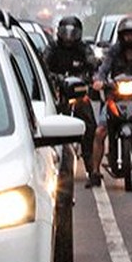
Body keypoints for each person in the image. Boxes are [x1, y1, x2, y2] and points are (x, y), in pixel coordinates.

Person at [88, 15, 132, 188]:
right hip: (115, 99)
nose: (129, 38)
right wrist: (99, 80)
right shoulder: (113, 52)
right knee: (99, 131)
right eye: (126, 35)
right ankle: (95, 172)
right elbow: (103, 70)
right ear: (121, 35)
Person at [44, 16, 97, 174]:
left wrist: (90, 75)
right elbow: (43, 65)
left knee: (90, 124)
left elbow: (93, 64)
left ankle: (90, 164)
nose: (68, 37)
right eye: (65, 32)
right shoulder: (52, 48)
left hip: (78, 93)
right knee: (48, 120)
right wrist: (54, 77)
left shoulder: (83, 49)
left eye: (72, 33)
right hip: (58, 92)